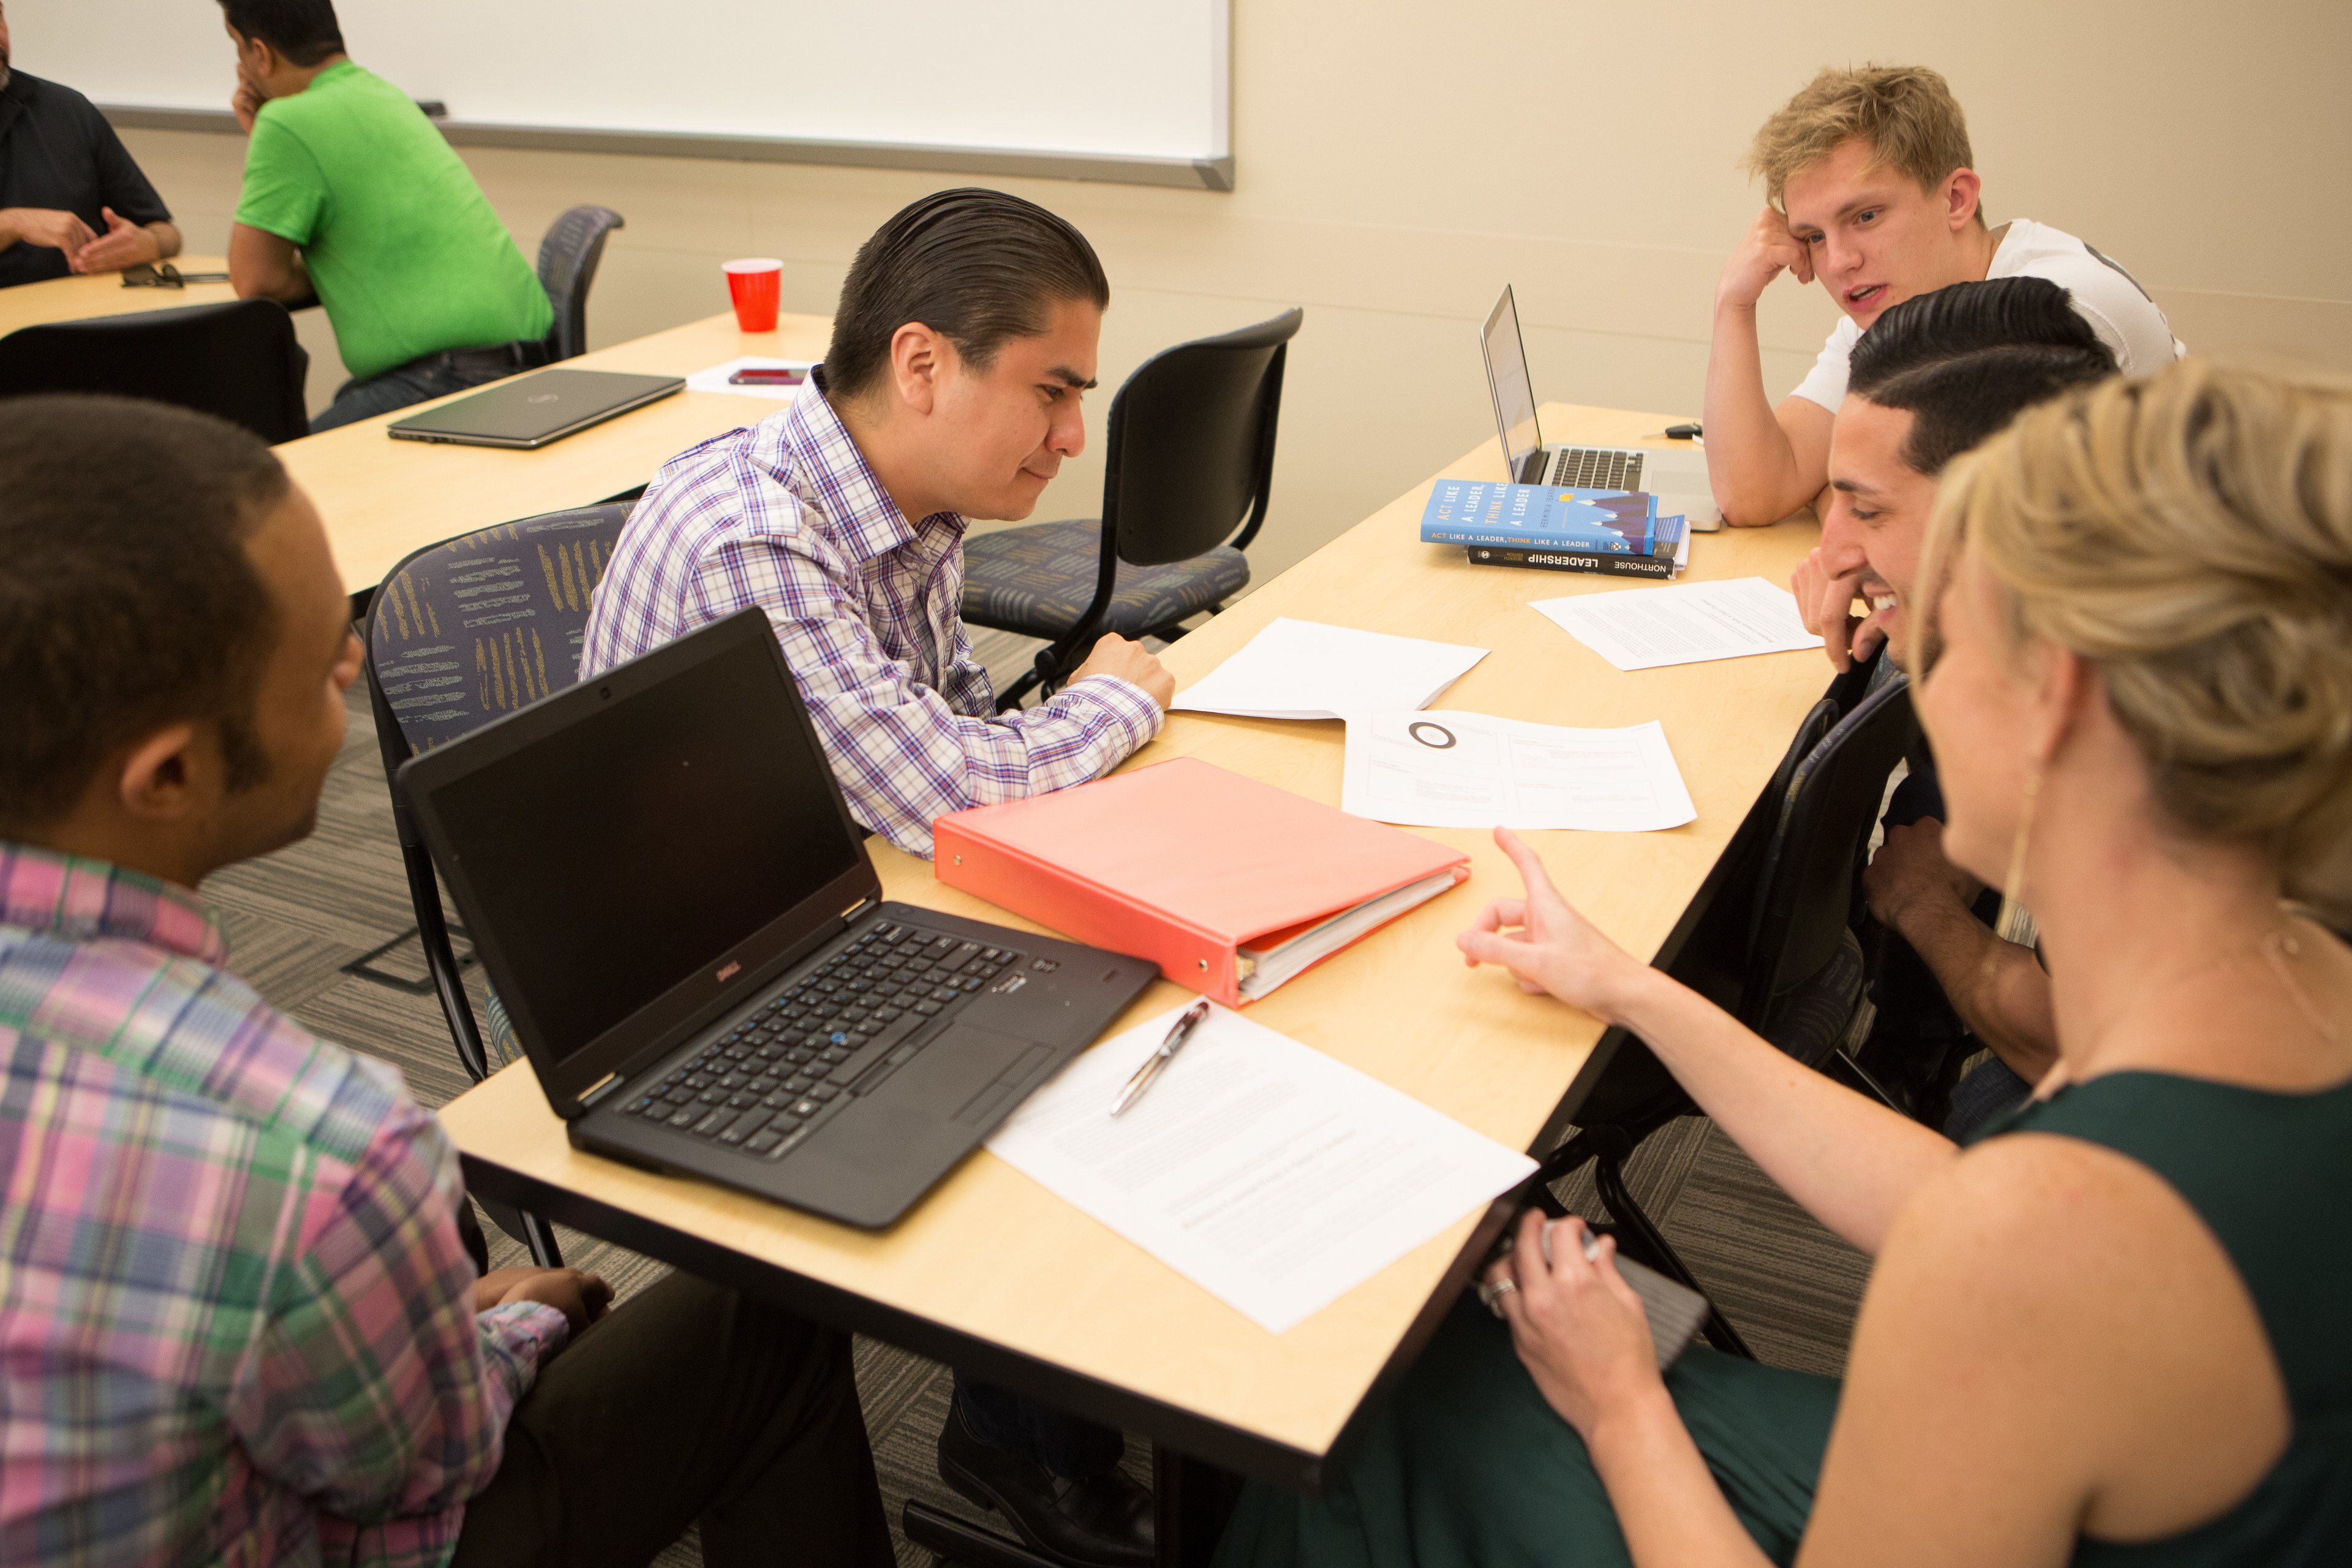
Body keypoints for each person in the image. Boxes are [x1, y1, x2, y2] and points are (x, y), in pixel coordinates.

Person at [1213, 359, 2352, 1566]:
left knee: (1361, 1409)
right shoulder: (2294, 984)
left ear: (2057, 694)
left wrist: (1623, 1400)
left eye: (1943, 640)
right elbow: (1964, 1206)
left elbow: (2007, 1237)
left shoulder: (2036, 1233)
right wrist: (1632, 987)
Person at [0, 396, 894, 1568]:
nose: (358, 661)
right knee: (761, 1327)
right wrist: (510, 1320)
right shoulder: (319, 1147)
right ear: (167, 774)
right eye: (325, 660)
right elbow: (426, 1464)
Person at [581, 187, 1172, 1568]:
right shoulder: (761, 534)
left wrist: (1042, 733)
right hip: (693, 973)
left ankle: (1020, 1427)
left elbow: (955, 736)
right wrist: (1115, 698)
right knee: (1055, 1035)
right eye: (1052, 391)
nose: (1073, 435)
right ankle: (1026, 1436)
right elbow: (950, 786)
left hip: (828, 892)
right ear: (921, 365)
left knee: (1105, 998)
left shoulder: (906, 504)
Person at [1789, 274, 2117, 1134]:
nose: (1832, 551)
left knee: (1985, 1115)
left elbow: (2072, 1046)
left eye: (1865, 506)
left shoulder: (2122, 735)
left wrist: (1926, 908)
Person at [1704, 63, 2180, 528]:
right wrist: (1734, 305)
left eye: (1865, 217)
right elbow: (1755, 492)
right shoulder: (1896, 311)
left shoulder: (2057, 308)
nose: (1837, 262)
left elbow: (1955, 540)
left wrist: (1836, 497)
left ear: (1956, 199)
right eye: (1814, 236)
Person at [217, 0, 552, 433]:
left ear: (260, 55)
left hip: (449, 380)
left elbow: (256, 280)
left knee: (274, 478)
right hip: (527, 361)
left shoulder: (287, 123)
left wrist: (266, 134)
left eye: (238, 48)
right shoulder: (381, 93)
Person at [0, 1, 181, 287]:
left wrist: (148, 244)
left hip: (80, 320)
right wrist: (12, 224)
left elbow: (166, 233)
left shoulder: (66, 110)